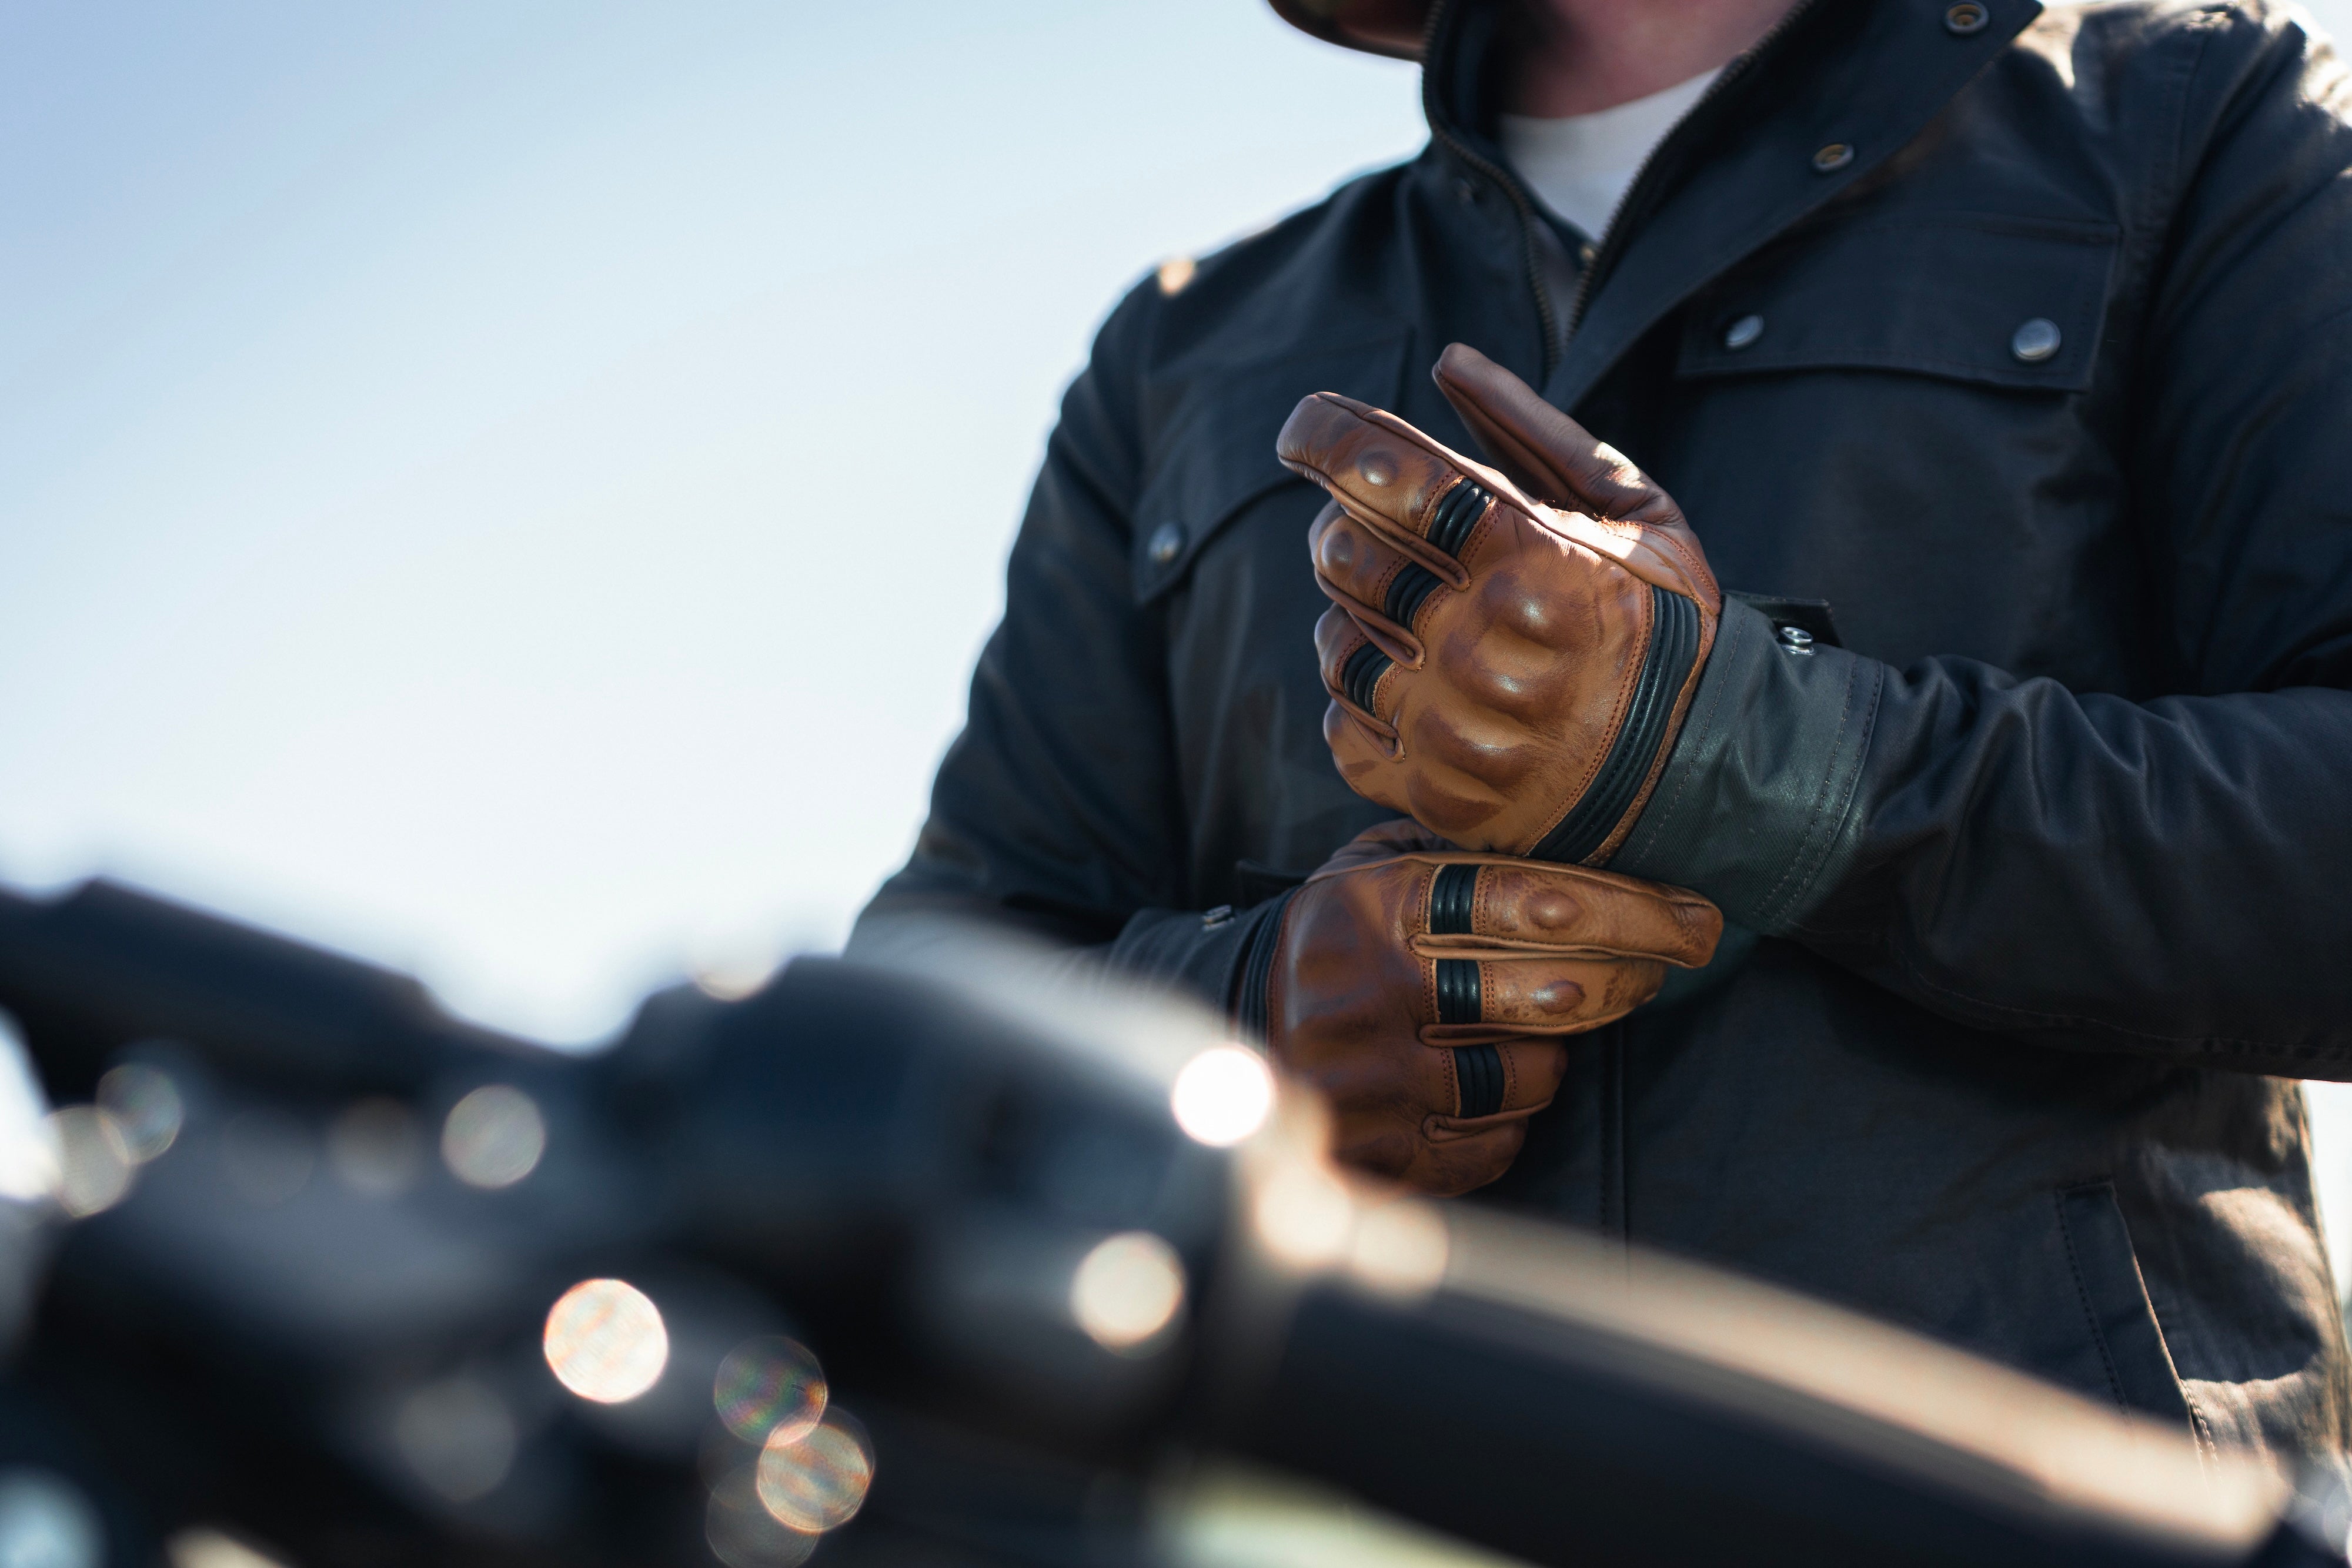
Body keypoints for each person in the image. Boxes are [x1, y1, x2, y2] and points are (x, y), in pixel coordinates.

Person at [849, 0, 2352, 1469]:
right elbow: (927, 996)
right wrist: (1254, 1020)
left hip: (2027, 1513)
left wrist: (1739, 754)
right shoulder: (1183, 349)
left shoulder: (2195, 119)